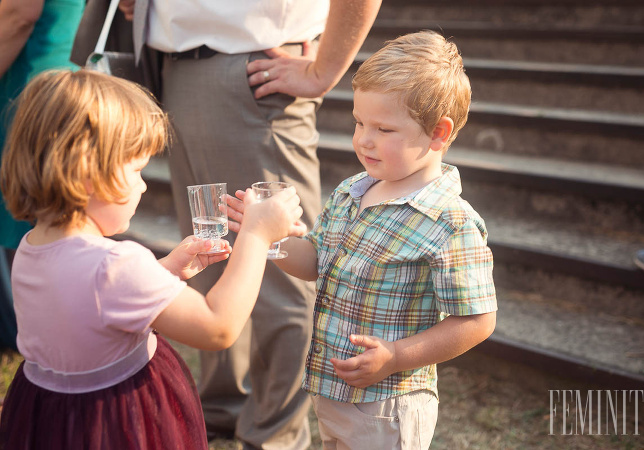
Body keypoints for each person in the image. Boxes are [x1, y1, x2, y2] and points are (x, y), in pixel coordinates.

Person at [72, 1, 382, 448]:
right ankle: (224, 409)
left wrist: (325, 69)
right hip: (175, 63)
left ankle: (275, 433)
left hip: (254, 68)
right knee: (210, 251)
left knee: (281, 265)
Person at [0, 69, 307, 449]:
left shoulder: (31, 247)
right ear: (87, 175)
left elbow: (90, 307)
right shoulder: (116, 264)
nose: (144, 184)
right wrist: (257, 237)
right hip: (119, 423)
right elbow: (217, 327)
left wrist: (164, 272)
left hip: (49, 420)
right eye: (136, 170)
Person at [227, 30, 498, 449]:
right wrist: (265, 235)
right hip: (333, 391)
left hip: (388, 403)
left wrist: (395, 356)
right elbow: (316, 261)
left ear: (438, 134)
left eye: (384, 129)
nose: (364, 139)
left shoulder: (450, 222)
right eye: (359, 122)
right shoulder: (353, 190)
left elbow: (478, 321)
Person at [0, 0, 84, 351]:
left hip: (31, 83)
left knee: (32, 223)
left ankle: (46, 346)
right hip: (45, 78)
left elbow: (19, 12)